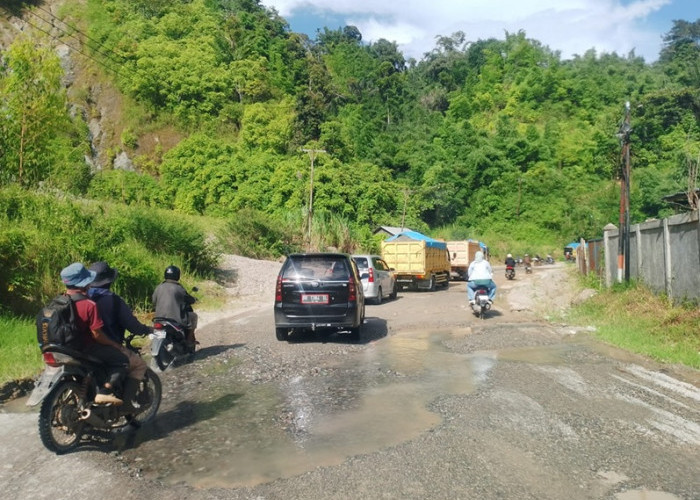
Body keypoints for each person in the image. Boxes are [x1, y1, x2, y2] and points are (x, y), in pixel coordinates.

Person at [60, 262, 129, 405]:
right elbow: (97, 335)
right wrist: (114, 344)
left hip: (65, 349)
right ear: (84, 283)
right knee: (121, 360)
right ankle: (105, 392)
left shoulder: (59, 301)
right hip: (85, 349)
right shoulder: (89, 305)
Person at [87, 261, 152, 409]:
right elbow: (133, 326)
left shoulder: (83, 297)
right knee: (139, 365)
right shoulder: (114, 301)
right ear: (109, 281)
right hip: (107, 346)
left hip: (83, 346)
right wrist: (147, 330)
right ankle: (126, 405)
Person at [152, 265, 198, 349]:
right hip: (175, 320)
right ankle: (189, 339)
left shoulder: (158, 288)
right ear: (177, 275)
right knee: (194, 316)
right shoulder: (179, 288)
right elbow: (188, 299)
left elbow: (154, 301)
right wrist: (194, 299)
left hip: (159, 319)